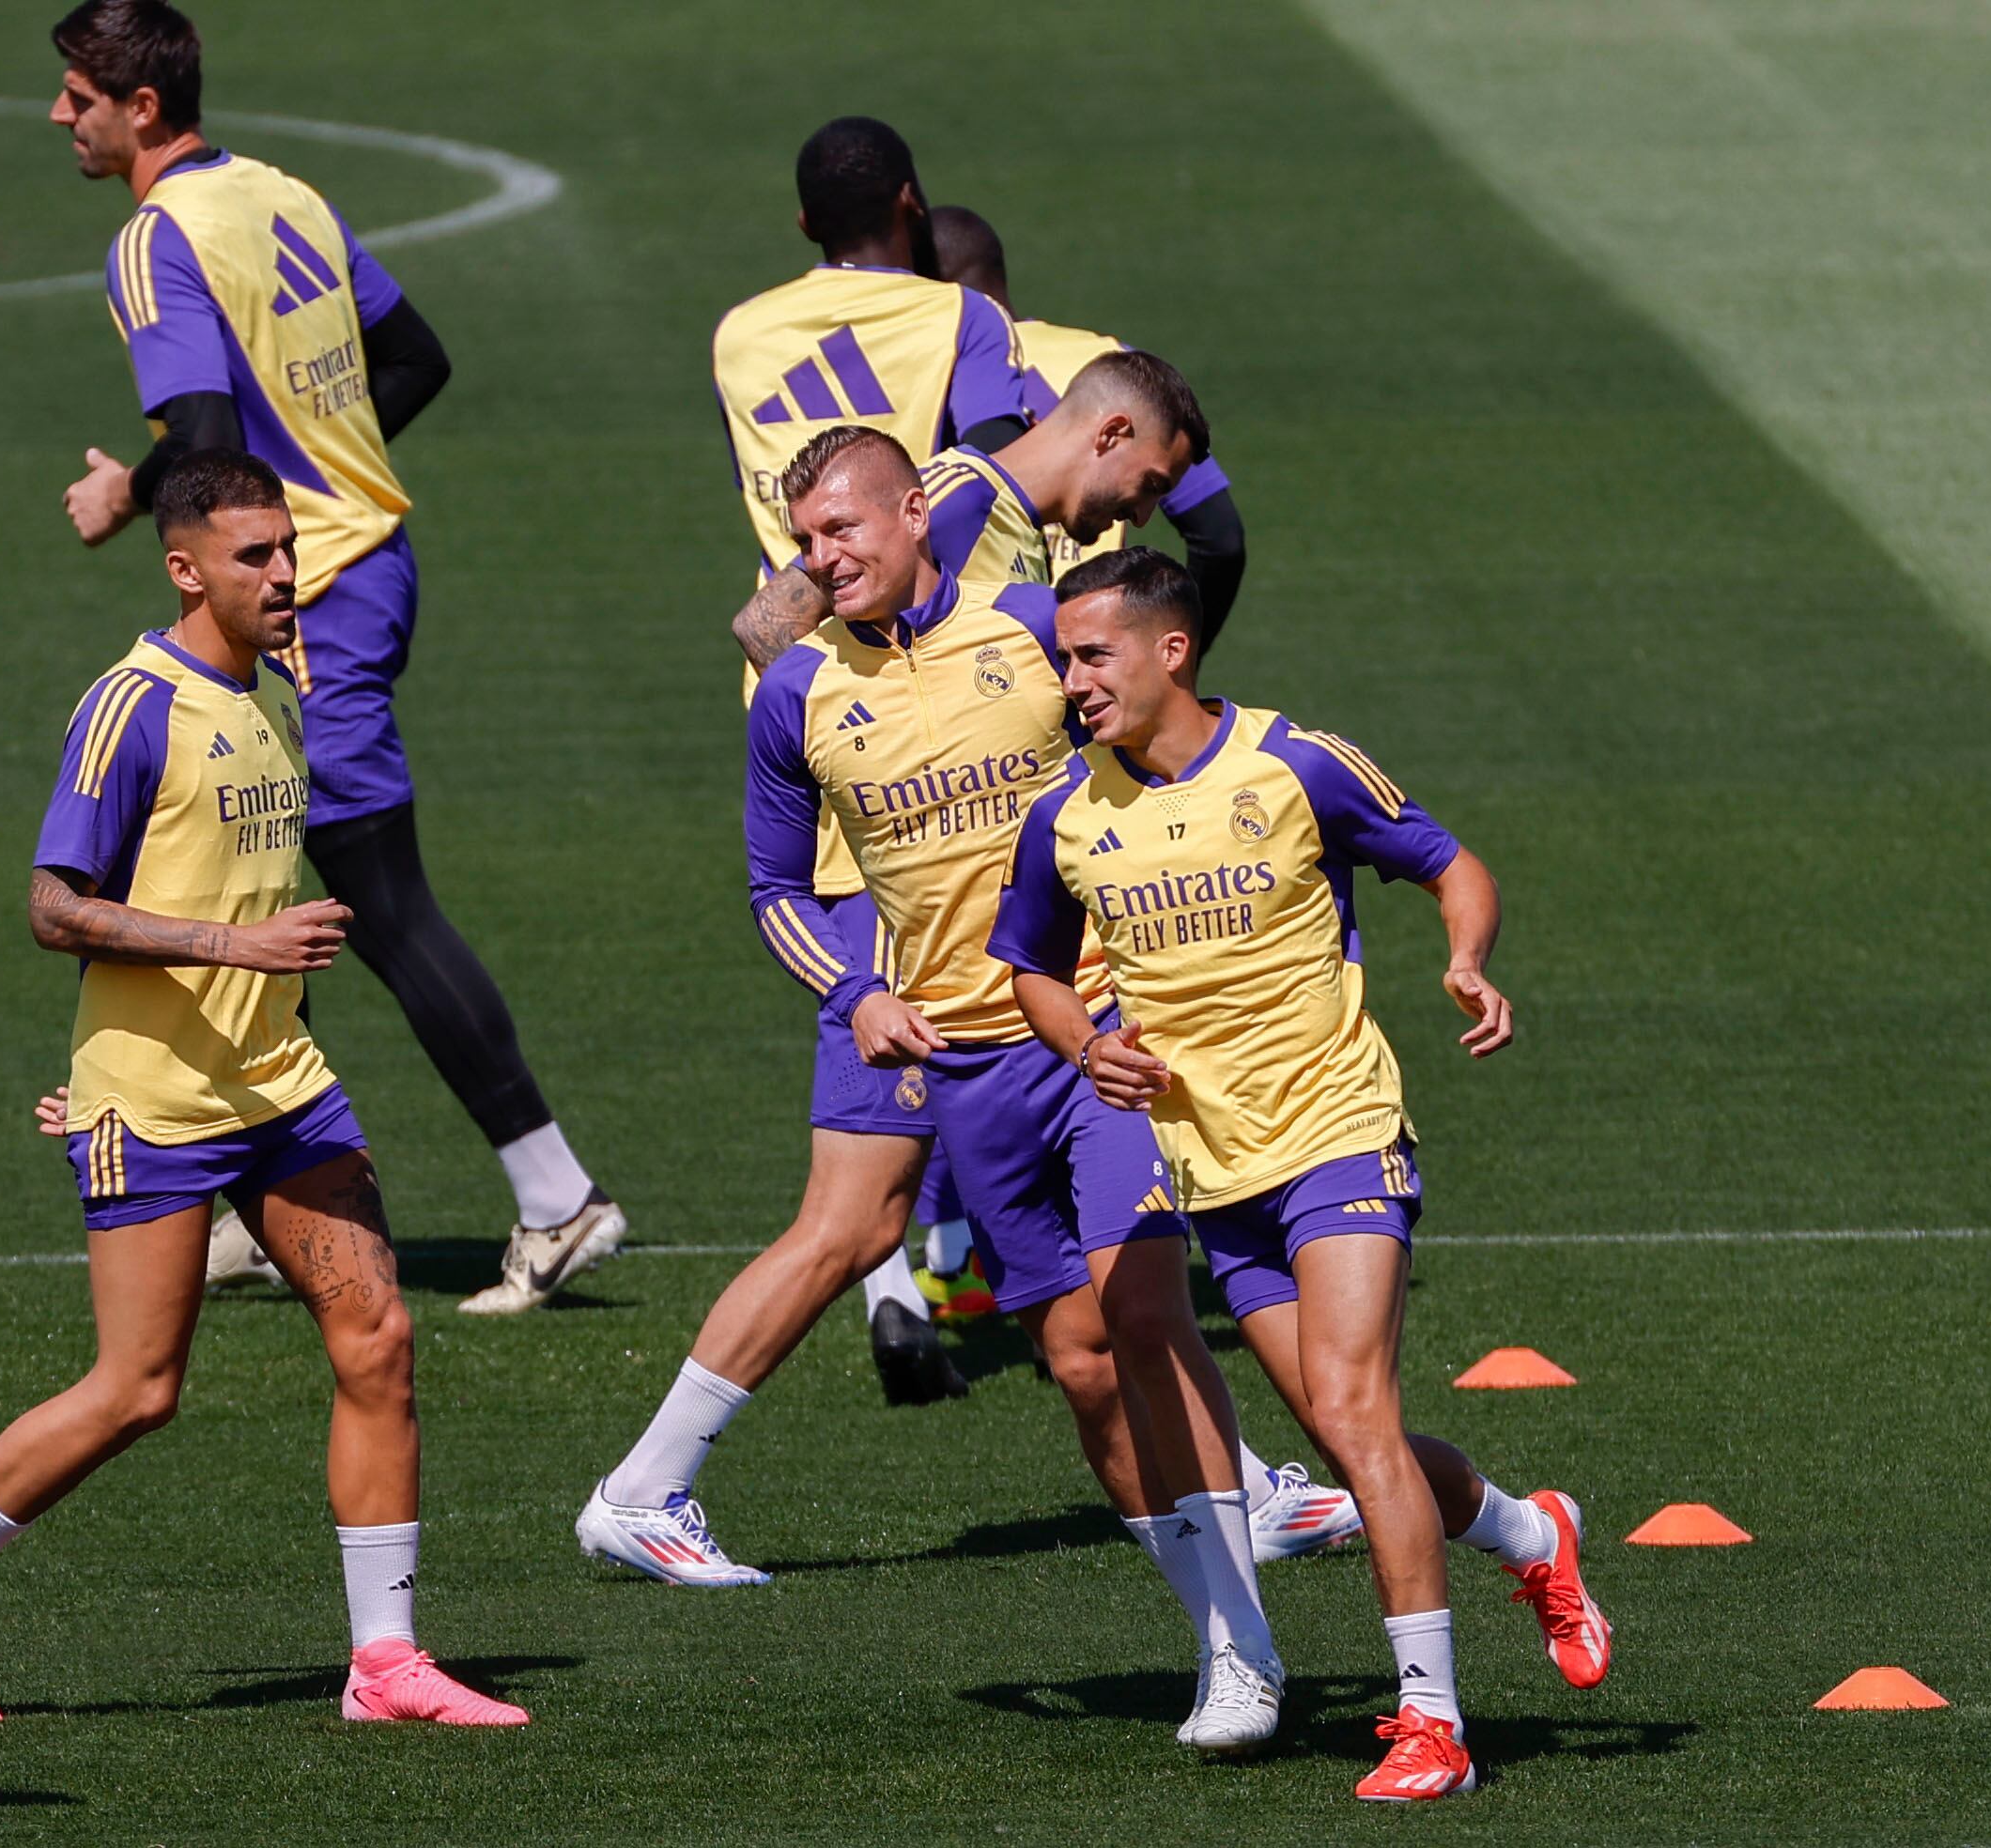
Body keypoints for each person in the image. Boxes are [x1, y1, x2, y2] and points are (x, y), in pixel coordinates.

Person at [584, 427, 1283, 1751]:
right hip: (965, 1068)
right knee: (1076, 1362)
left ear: (918, 515)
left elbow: (1167, 762)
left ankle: (1243, 1645)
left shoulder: (1035, 632)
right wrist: (854, 999)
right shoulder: (796, 697)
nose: (821, 561)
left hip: (1099, 1037)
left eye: (843, 531)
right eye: (805, 543)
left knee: (1142, 1313)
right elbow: (775, 892)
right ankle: (1222, 1624)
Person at [0, 451, 527, 1731]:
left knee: (381, 1341)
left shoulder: (281, 692)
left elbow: (247, 888)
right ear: (184, 568)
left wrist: (261, 979)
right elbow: (52, 906)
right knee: (139, 1389)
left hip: (280, 1087)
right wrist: (218, 972)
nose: (286, 574)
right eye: (255, 557)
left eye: (288, 550)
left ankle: (385, 1664)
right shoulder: (134, 707)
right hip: (159, 1107)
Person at [992, 547, 1613, 1800]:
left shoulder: (1299, 764)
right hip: (1212, 1171)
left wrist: (1468, 961)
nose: (1072, 681)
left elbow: (1451, 863)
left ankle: (1433, 1724)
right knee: (1343, 1435)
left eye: (1091, 655)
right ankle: (1532, 1534)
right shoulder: (1068, 814)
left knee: (1352, 1402)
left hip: (1339, 1129)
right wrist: (1089, 1044)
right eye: (1065, 659)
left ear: (1174, 650)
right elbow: (1033, 968)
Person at [733, 350, 1365, 1565]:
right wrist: (870, 734)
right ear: (1112, 433)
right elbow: (767, 632)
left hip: (1067, 996)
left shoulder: (1004, 558)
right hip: (909, 933)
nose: (1133, 514)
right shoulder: (959, 509)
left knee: (1117, 1293)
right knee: (898, 1245)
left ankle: (1243, 1507)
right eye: (1144, 483)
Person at [47, 0, 618, 1312]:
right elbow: (414, 359)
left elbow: (199, 429)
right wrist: (328, 482)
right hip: (359, 567)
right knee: (240, 862)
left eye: (78, 95)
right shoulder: (283, 195)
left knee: (378, 897)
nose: (61, 118)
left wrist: (188, 524)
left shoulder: (155, 238)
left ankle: (558, 1195)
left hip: (311, 600)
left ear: (141, 108)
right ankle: (244, 1197)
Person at [708, 115, 1035, 1399]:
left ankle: (910, 1273)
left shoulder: (738, 332)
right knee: (980, 995)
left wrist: (803, 579)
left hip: (799, 695)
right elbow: (988, 477)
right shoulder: (970, 325)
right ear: (912, 205)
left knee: (895, 984)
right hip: (946, 693)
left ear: (802, 227)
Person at [930, 205, 1248, 636]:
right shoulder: (1112, 358)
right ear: (1112, 432)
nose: (1141, 519)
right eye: (1151, 486)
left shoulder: (930, 370)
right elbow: (1220, 537)